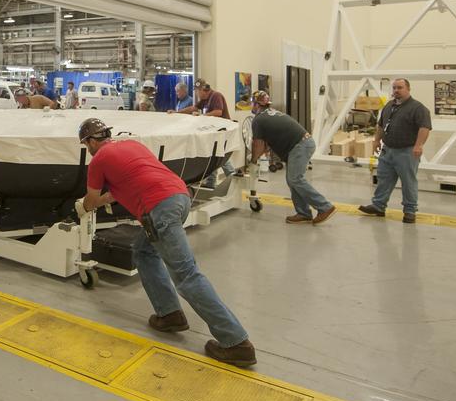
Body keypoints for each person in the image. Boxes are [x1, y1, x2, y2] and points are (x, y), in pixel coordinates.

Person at [78, 118, 256, 367]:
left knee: (186, 275)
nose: (88, 150)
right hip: (179, 197)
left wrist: (82, 207)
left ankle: (236, 342)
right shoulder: (131, 145)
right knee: (144, 252)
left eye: (86, 145)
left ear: (91, 141)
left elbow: (92, 199)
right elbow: (131, 182)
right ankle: (169, 313)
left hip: (158, 210)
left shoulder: (98, 160)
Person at [249, 91, 334, 225]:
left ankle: (324, 206)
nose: (251, 107)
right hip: (303, 143)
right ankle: (303, 213)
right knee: (292, 180)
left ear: (256, 104)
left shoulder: (258, 119)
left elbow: (258, 145)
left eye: (251, 103)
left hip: (299, 145)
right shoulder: (272, 113)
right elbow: (265, 145)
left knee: (295, 179)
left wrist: (253, 161)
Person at [359, 78, 432, 224]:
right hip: (388, 150)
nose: (396, 90)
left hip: (406, 151)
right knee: (383, 179)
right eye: (394, 88)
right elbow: (381, 125)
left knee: (408, 182)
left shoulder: (418, 108)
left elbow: (424, 127)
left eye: (400, 87)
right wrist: (376, 141)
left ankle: (410, 211)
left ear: (408, 89)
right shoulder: (388, 106)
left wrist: (418, 145)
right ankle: (378, 206)